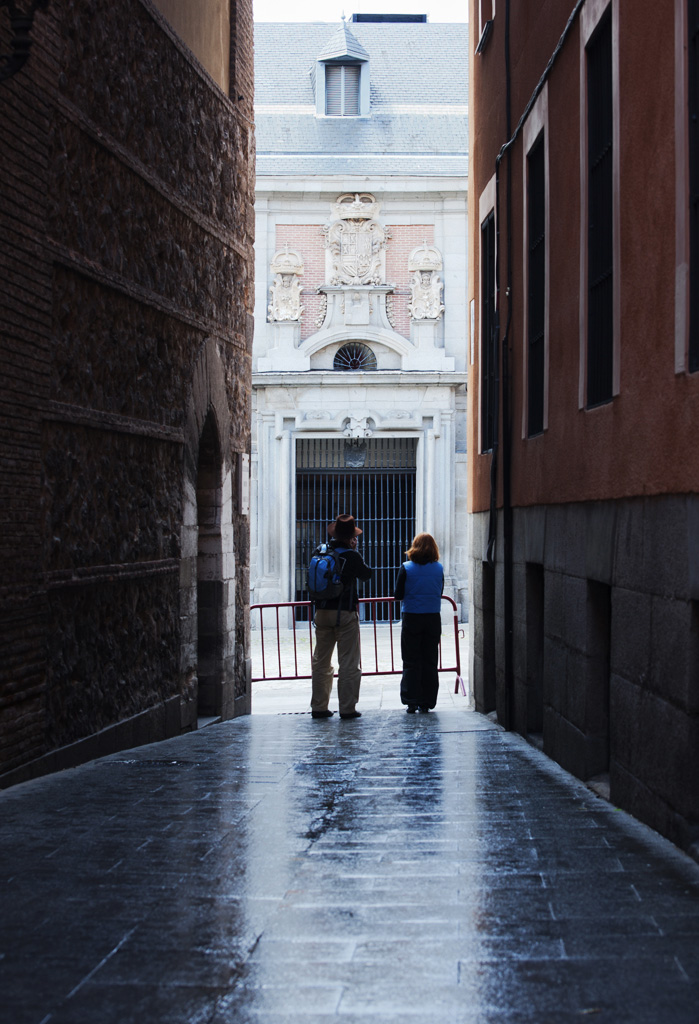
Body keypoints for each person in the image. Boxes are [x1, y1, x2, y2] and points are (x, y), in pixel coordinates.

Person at [310, 513, 372, 720]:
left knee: (320, 660)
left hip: (321, 612)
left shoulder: (320, 551)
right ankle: (347, 708)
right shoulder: (351, 556)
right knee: (348, 662)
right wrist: (355, 552)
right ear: (350, 537)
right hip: (344, 614)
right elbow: (367, 575)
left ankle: (319, 707)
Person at [393, 532, 444, 713]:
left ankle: (411, 699)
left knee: (411, 660)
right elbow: (439, 591)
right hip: (432, 617)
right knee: (430, 660)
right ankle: (427, 701)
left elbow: (398, 595)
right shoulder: (439, 568)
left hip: (412, 616)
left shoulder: (406, 568)